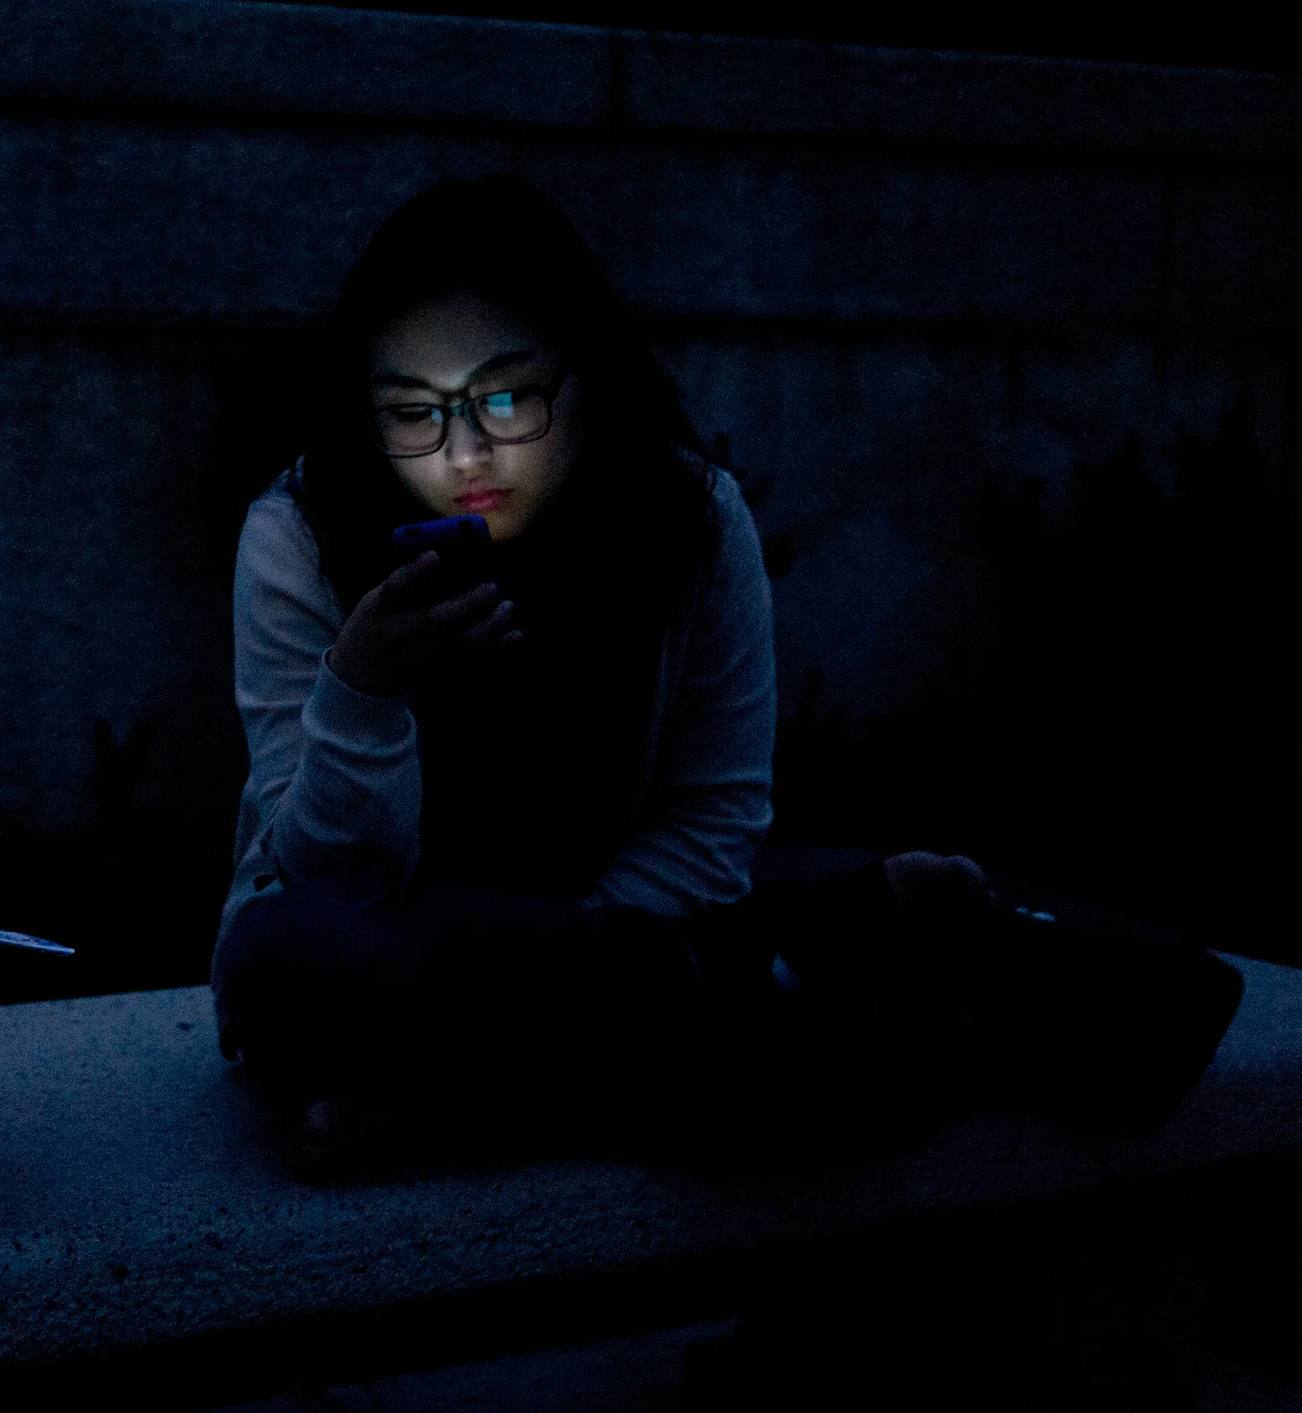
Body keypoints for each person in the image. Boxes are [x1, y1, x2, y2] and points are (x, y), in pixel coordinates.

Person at [211, 175, 1005, 1173]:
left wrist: (550, 976)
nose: (465, 454)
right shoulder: (301, 530)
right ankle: (759, 969)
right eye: (413, 412)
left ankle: (463, 1113)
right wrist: (364, 688)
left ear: (589, 378)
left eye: (508, 396)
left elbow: (713, 818)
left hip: (580, 954)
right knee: (285, 957)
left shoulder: (691, 523)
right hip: (383, 963)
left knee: (904, 1050)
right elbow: (318, 876)